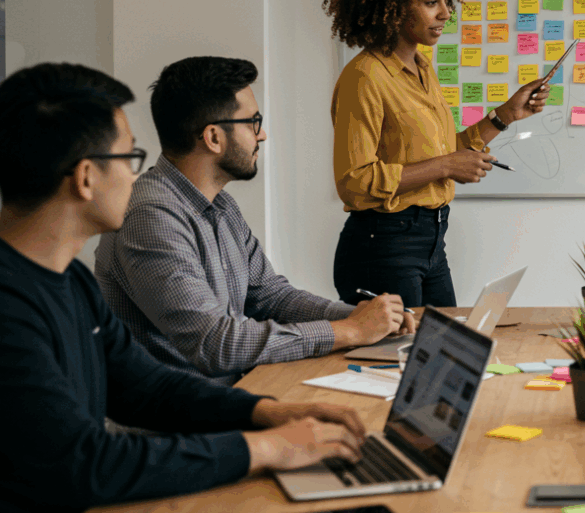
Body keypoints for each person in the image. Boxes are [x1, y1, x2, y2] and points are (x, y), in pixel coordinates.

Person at [0, 63, 366, 513]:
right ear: (86, 177)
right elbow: (85, 464)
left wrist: (263, 413)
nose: (136, 173)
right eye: (128, 157)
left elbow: (146, 388)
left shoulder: (67, 280)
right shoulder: (10, 306)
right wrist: (262, 448)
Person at [96, 57, 414, 385]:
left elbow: (272, 297)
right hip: (178, 424)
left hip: (231, 398)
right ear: (213, 137)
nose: (262, 135)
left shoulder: (221, 206)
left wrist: (367, 317)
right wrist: (349, 331)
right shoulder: (150, 216)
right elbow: (213, 343)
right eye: (253, 122)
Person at [323, 0, 549, 308]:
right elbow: (353, 183)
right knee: (402, 363)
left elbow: (441, 151)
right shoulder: (365, 77)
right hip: (384, 245)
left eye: (447, 0)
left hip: (431, 241)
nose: (446, 12)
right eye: (432, 2)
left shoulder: (423, 68)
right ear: (392, 5)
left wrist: (504, 116)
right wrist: (446, 167)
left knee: (444, 350)